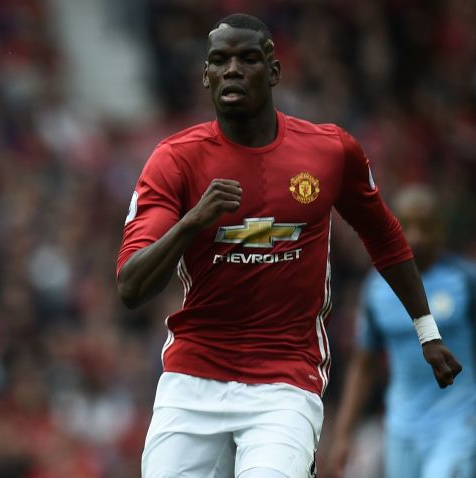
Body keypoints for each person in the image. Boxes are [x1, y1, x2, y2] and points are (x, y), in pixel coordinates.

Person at [115, 13, 462, 478]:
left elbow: (383, 235)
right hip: (192, 378)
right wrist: (191, 222)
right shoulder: (174, 161)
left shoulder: (330, 151)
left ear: (274, 72)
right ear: (206, 76)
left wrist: (427, 331)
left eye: (248, 59)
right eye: (220, 60)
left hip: (285, 380)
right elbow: (131, 286)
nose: (232, 70)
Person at [327, 185, 476, 478]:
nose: (417, 236)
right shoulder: (376, 289)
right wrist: (344, 434)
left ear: (441, 231)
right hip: (402, 425)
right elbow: (364, 364)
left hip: (458, 421)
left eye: (426, 227)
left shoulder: (465, 281)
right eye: (407, 226)